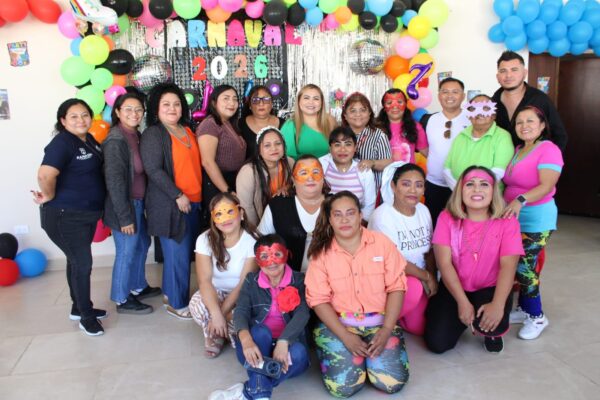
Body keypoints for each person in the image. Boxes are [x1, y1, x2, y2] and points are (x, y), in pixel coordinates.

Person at [305, 191, 409, 397]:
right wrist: (345, 337)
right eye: (337, 214)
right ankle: (353, 359)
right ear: (330, 219)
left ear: (360, 215)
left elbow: (397, 287)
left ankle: (369, 362)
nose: (344, 220)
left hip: (380, 323)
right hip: (339, 326)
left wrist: (387, 329)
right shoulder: (321, 253)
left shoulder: (382, 243)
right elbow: (318, 300)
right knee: (343, 389)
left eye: (350, 213)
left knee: (392, 384)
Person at [424, 166, 524, 354]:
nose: (477, 189)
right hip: (455, 286)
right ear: (460, 190)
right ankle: (463, 317)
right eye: (470, 184)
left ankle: (487, 325)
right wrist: (462, 302)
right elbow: (444, 264)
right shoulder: (446, 218)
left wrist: (497, 305)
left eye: (484, 184)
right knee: (437, 343)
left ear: (493, 191)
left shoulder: (507, 221)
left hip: (490, 287)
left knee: (491, 326)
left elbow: (508, 267)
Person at [33, 99, 107, 336]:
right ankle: (86, 317)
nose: (80, 120)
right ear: (63, 121)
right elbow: (45, 175)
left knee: (75, 261)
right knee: (82, 263)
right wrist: (48, 195)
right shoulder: (62, 143)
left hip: (84, 215)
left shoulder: (88, 139)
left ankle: (78, 307)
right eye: (74, 116)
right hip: (65, 217)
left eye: (84, 115)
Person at [208, 234, 310, 400]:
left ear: (286, 255)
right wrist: (246, 340)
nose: (271, 262)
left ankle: (250, 390)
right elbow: (241, 310)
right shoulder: (251, 281)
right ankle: (260, 392)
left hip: (288, 346)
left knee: (299, 353)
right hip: (256, 344)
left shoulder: (299, 280)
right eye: (264, 257)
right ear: (257, 261)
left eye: (277, 254)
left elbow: (303, 313)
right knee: (260, 331)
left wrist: (284, 342)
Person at [140, 83, 202, 319]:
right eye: (165, 104)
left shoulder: (186, 130)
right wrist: (177, 195)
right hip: (172, 204)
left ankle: (170, 293)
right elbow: (153, 170)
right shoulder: (154, 134)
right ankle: (177, 304)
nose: (172, 108)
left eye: (176, 104)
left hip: (194, 202)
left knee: (181, 254)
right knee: (178, 256)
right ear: (156, 108)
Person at [502, 106, 563, 340]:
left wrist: (519, 200)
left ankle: (537, 316)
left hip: (537, 219)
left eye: (530, 121)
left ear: (542, 125)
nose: (524, 126)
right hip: (513, 219)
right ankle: (524, 307)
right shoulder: (518, 149)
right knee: (516, 263)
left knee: (524, 267)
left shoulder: (549, 149)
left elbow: (546, 186)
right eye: (519, 122)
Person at [103, 92, 161, 315]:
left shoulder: (136, 135)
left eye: (138, 109)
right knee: (126, 251)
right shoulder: (115, 140)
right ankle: (121, 298)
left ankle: (138, 286)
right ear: (117, 112)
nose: (134, 114)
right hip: (125, 206)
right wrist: (124, 217)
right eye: (128, 109)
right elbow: (115, 182)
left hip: (139, 203)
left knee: (142, 244)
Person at [189, 193, 259, 358]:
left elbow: (243, 284)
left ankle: (217, 330)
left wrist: (221, 314)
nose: (225, 218)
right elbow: (204, 281)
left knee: (243, 317)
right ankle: (221, 331)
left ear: (241, 213)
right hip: (216, 292)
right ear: (213, 219)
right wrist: (215, 314)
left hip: (243, 294)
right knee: (197, 305)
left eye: (230, 211)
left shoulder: (252, 240)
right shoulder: (204, 239)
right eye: (219, 213)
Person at [369, 163, 436, 335]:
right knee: (413, 287)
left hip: (419, 278)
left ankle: (396, 317)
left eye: (418, 185)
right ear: (393, 186)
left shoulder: (423, 210)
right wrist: (427, 277)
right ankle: (374, 323)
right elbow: (393, 261)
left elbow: (429, 250)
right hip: (390, 280)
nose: (413, 190)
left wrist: (432, 277)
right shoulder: (382, 216)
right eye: (406, 184)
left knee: (420, 328)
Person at [258, 155, 328, 272]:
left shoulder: (336, 204)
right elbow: (261, 243)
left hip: (332, 277)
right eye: (303, 173)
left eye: (316, 172)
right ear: (293, 179)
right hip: (287, 278)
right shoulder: (277, 206)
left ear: (323, 177)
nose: (310, 178)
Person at [492, 50, 567, 152]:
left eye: (514, 70)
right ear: (497, 77)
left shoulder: (540, 99)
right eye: (503, 71)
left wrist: (549, 159)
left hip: (536, 159)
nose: (508, 75)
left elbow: (560, 136)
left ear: (524, 73)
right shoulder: (491, 104)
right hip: (502, 161)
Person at [421, 78, 470, 226]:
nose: (450, 96)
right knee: (434, 226)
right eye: (445, 92)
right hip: (434, 185)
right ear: (439, 95)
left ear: (463, 96)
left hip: (463, 185)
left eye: (455, 92)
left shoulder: (472, 119)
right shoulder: (428, 119)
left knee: (461, 226)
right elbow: (424, 147)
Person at [443, 94, 514, 189]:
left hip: (487, 194)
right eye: (473, 108)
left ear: (494, 115)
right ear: (469, 115)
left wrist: (472, 190)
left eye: (485, 108)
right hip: (457, 192)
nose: (479, 113)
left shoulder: (502, 136)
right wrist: (458, 190)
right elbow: (447, 167)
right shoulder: (461, 136)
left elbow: (499, 171)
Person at [197, 85, 247, 210]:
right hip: (218, 185)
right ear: (214, 103)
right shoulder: (210, 124)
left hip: (232, 181)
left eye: (235, 99)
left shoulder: (228, 123)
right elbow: (207, 162)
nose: (232, 103)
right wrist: (227, 190)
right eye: (226, 98)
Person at [235, 127, 294, 226]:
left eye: (278, 143)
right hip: (261, 223)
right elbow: (246, 208)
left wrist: (287, 188)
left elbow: (298, 188)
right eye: (267, 145)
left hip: (286, 218)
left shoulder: (290, 163)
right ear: (259, 150)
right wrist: (258, 231)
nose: (274, 148)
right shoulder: (248, 172)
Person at [319, 127, 376, 222]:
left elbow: (369, 205)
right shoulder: (321, 165)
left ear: (355, 148)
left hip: (355, 223)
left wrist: (358, 224)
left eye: (348, 144)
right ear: (330, 148)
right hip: (325, 221)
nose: (343, 149)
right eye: (337, 145)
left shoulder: (364, 171)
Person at [341, 92, 392, 191]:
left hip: (372, 192)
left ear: (369, 114)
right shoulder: (339, 136)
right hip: (345, 189)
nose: (358, 114)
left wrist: (372, 163)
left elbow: (388, 162)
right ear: (345, 115)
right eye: (353, 110)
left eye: (363, 110)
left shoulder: (379, 135)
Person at [281, 84, 336, 160]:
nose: (311, 102)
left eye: (316, 99)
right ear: (299, 101)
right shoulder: (290, 125)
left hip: (328, 167)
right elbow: (287, 159)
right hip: (300, 167)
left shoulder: (330, 121)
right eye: (306, 98)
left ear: (322, 102)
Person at [376, 88, 428, 164]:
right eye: (389, 103)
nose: (395, 106)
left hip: (408, 171)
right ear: (384, 107)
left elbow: (427, 152)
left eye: (399, 102)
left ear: (405, 105)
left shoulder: (415, 126)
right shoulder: (376, 128)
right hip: (383, 171)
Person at [238, 85, 284, 159]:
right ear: (250, 105)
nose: (261, 104)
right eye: (256, 100)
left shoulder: (285, 125)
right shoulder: (239, 125)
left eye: (266, 99)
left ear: (271, 103)